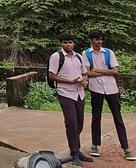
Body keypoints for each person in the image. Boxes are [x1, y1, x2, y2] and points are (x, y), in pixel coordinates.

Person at [83, 31, 135, 161]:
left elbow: (115, 71)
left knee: (118, 117)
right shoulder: (86, 54)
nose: (99, 42)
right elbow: (87, 72)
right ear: (91, 40)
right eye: (96, 39)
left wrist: (96, 70)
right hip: (96, 89)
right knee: (96, 117)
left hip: (112, 88)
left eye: (101, 39)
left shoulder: (109, 52)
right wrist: (106, 72)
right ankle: (95, 145)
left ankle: (126, 148)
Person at [48, 33, 93, 166]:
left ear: (74, 43)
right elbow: (51, 75)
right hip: (65, 93)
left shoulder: (78, 56)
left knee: (79, 124)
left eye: (70, 42)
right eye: (65, 42)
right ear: (61, 44)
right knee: (71, 123)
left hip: (79, 93)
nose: (68, 45)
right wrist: (69, 81)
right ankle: (74, 154)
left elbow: (85, 73)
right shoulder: (56, 57)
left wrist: (84, 80)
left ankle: (77, 150)